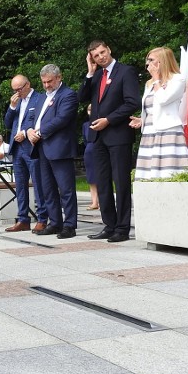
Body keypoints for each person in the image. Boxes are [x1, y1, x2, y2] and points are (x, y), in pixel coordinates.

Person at [78, 40, 141, 243]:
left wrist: (109, 120)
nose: (101, 57)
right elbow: (82, 97)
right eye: (96, 55)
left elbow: (132, 102)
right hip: (97, 137)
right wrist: (89, 72)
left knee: (121, 182)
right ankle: (109, 225)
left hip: (118, 135)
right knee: (102, 182)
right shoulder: (96, 76)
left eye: (102, 52)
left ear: (109, 50)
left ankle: (122, 228)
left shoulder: (125, 71)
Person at [28, 64, 79, 239]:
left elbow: (62, 119)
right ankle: (55, 222)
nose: (47, 85)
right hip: (41, 149)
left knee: (66, 189)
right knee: (47, 189)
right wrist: (29, 131)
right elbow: (33, 118)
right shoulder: (42, 98)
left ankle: (70, 225)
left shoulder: (68, 95)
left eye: (49, 81)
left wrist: (40, 132)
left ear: (58, 77)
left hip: (60, 148)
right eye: (44, 82)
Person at [129, 46, 188, 180]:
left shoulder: (178, 79)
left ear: (163, 61)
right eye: (147, 60)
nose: (147, 64)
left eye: (151, 60)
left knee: (168, 173)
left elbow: (163, 99)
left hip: (168, 131)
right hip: (150, 132)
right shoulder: (149, 83)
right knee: (148, 175)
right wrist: (142, 120)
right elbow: (151, 107)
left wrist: (157, 79)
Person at [4, 74, 48, 233]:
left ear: (28, 84)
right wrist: (12, 107)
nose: (17, 92)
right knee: (20, 186)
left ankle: (42, 218)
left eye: (19, 89)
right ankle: (23, 218)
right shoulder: (17, 101)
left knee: (38, 183)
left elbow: (40, 120)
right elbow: (7, 124)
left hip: (31, 147)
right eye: (14, 90)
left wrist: (24, 131)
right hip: (17, 148)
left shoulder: (39, 98)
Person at [82, 106, 99, 209]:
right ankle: (94, 202)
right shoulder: (85, 125)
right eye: (89, 110)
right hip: (89, 150)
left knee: (101, 176)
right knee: (91, 177)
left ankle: (102, 201)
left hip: (99, 149)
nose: (90, 112)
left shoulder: (101, 123)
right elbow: (84, 139)